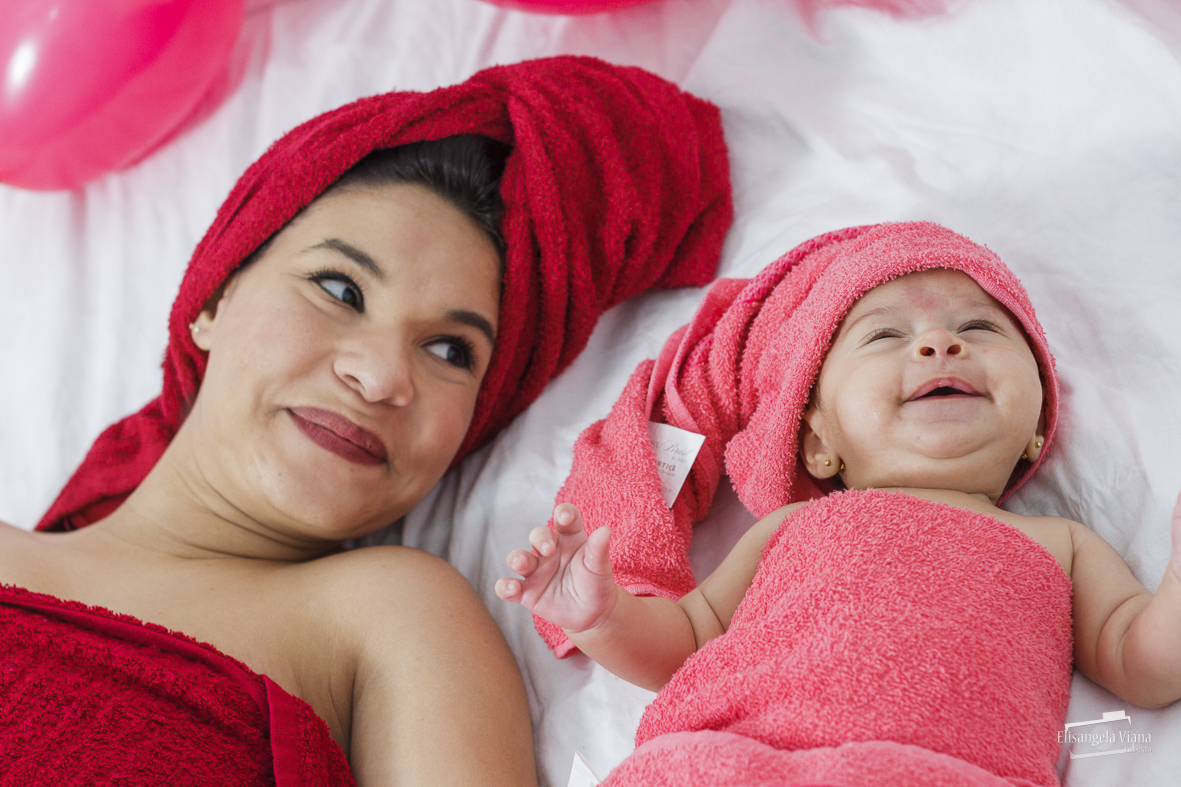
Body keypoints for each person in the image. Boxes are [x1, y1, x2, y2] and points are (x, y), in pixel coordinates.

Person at [0, 57, 733, 786]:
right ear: (213, 300)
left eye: (450, 350)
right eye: (338, 288)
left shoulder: (389, 619)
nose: (382, 377)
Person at [497, 222, 1181, 786]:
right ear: (817, 439)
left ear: (1037, 427)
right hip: (738, 763)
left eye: (979, 327)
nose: (939, 343)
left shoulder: (1059, 544)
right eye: (884, 335)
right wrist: (603, 616)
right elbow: (684, 646)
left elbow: (1141, 663)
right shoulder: (793, 527)